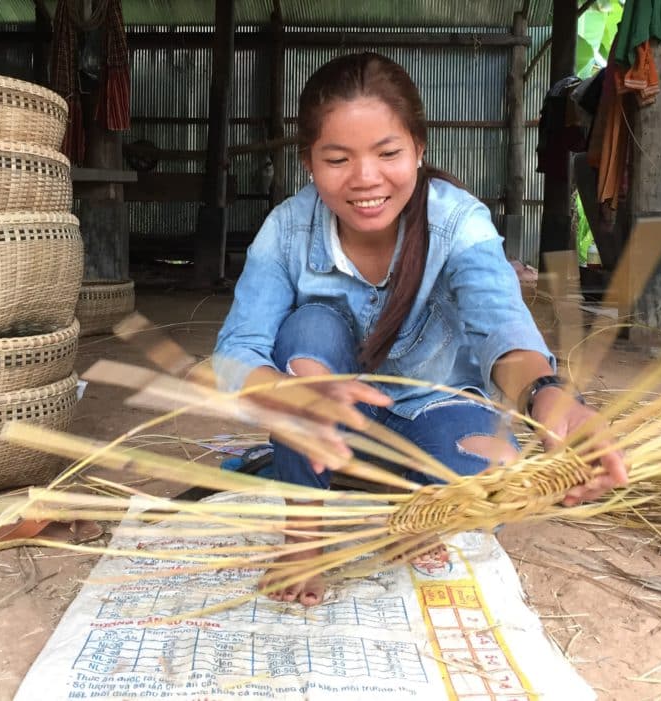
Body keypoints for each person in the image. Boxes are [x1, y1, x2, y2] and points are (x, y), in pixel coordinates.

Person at [212, 52, 627, 607]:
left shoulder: (458, 222)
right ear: (309, 162)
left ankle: (412, 505)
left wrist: (546, 396)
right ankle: (304, 538)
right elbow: (237, 350)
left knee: (492, 470)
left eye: (388, 154)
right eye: (337, 159)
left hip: (434, 413)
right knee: (308, 332)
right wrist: (290, 392)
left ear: (419, 150)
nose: (365, 179)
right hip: (332, 432)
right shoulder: (287, 228)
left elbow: (499, 323)